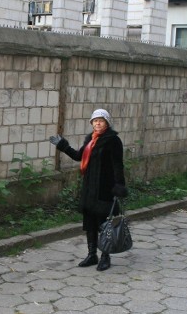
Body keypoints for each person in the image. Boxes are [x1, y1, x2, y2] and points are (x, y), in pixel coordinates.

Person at [50, 108, 128, 271]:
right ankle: (92, 254)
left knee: (105, 224)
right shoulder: (90, 140)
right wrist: (63, 145)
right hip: (89, 188)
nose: (98, 123)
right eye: (95, 120)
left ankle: (105, 256)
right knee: (90, 223)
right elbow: (79, 156)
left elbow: (117, 165)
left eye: (101, 120)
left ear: (107, 122)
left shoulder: (113, 140)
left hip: (104, 189)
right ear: (92, 123)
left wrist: (119, 186)